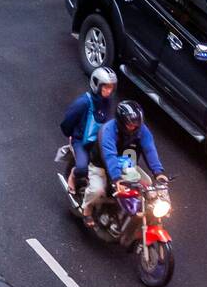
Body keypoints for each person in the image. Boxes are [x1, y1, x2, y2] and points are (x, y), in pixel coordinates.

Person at [85, 100, 167, 224]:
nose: (134, 127)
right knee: (97, 190)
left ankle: (135, 212)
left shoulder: (141, 130)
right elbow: (109, 156)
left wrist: (158, 172)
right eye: (130, 125)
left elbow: (150, 150)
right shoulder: (108, 131)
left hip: (127, 165)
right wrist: (117, 179)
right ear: (121, 122)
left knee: (148, 184)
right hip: (101, 166)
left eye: (137, 124)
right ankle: (87, 209)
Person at [59, 66, 117, 213]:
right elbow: (66, 123)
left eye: (111, 88)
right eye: (105, 87)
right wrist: (72, 136)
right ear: (96, 85)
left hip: (98, 143)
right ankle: (72, 176)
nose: (108, 91)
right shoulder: (83, 102)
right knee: (82, 168)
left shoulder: (108, 102)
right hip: (81, 143)